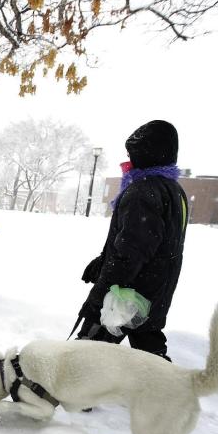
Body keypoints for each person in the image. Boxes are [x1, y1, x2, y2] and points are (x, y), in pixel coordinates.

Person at [75, 120, 189, 360]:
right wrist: (103, 260)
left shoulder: (142, 191)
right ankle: (165, 392)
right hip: (154, 293)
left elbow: (130, 254)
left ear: (147, 153)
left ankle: (69, 395)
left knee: (83, 355)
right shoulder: (173, 190)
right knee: (151, 355)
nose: (128, 159)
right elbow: (149, 243)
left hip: (125, 297)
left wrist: (96, 302)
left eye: (132, 153)